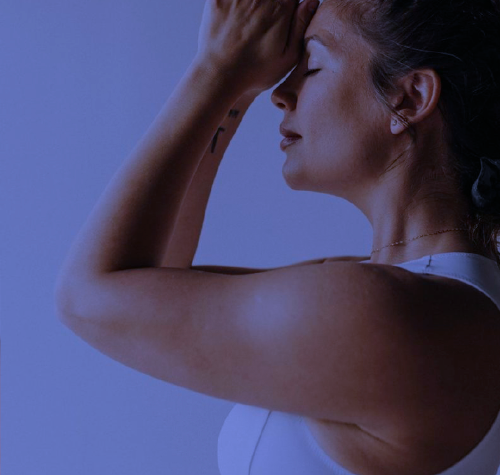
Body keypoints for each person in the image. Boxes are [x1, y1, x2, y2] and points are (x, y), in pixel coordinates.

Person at [55, 0, 500, 473]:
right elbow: (152, 284)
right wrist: (237, 88)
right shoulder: (422, 298)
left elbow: (91, 298)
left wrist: (219, 69)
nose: (280, 93)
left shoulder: (387, 314)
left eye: (312, 65)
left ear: (408, 98)